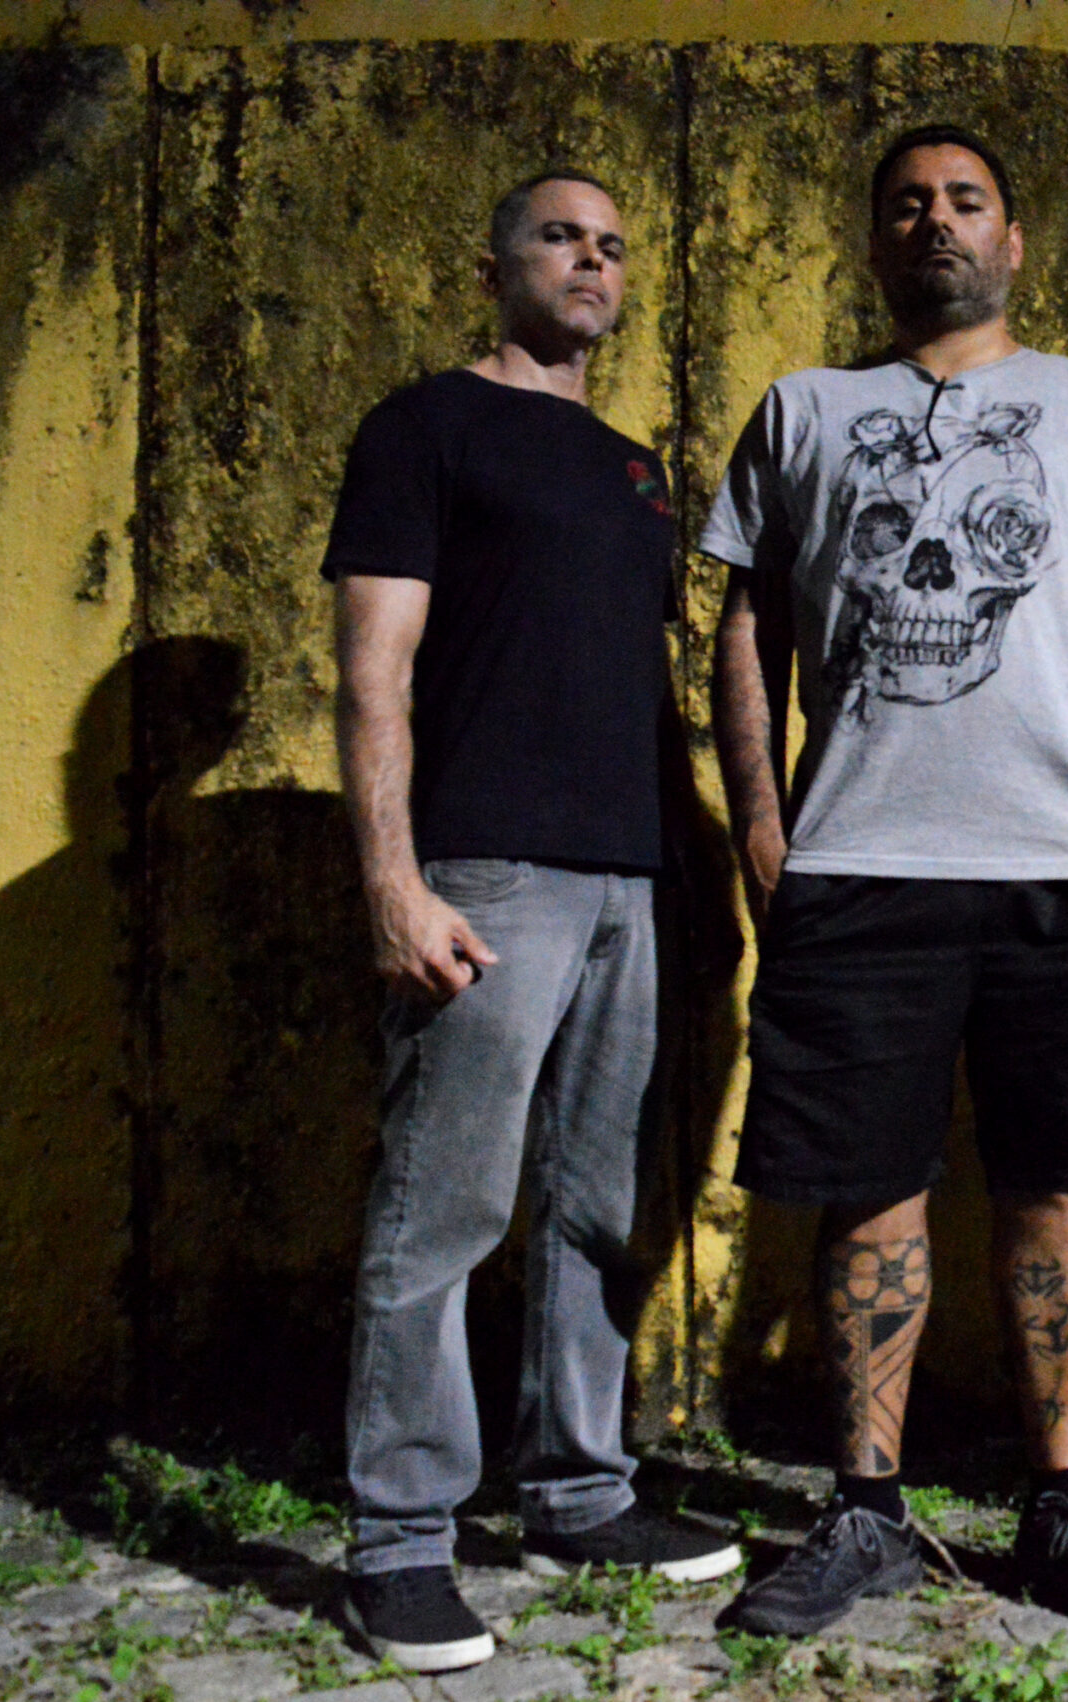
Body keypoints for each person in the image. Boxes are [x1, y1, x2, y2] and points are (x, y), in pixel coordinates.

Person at [700, 124, 1068, 1640]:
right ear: (875, 244)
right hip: (862, 865)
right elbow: (746, 630)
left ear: (1013, 239)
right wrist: (763, 829)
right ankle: (866, 1511)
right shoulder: (804, 410)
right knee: (867, 1185)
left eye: (967, 199)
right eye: (908, 204)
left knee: (1059, 1182)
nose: (938, 221)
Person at [325, 171, 743, 1674]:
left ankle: (576, 1491)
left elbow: (636, 687)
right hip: (487, 874)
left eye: (613, 246)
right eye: (562, 237)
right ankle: (399, 1541)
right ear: (497, 261)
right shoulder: (423, 426)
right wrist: (395, 880)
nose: (591, 262)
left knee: (595, 1206)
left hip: (630, 880)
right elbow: (374, 670)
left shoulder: (636, 470)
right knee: (442, 1208)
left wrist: (687, 878)